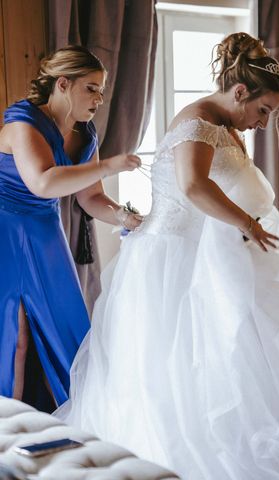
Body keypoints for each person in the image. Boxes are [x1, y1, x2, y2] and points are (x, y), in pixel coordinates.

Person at [56, 32, 279, 480]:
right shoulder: (197, 121)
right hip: (170, 261)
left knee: (233, 354)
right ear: (239, 92)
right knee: (181, 362)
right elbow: (192, 187)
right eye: (262, 110)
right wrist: (246, 223)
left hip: (208, 258)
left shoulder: (225, 127)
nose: (264, 124)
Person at [0, 45, 142, 411]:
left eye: (102, 90)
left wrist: (126, 217)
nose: (99, 98)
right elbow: (44, 183)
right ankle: (7, 434)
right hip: (4, 227)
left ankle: (84, 417)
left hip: (45, 230)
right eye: (91, 88)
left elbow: (90, 197)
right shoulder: (22, 124)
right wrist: (110, 165)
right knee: (11, 338)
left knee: (70, 330)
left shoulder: (85, 135)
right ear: (63, 84)